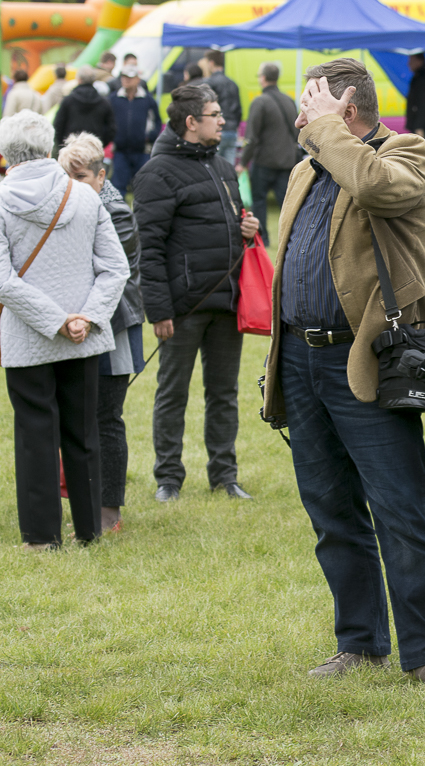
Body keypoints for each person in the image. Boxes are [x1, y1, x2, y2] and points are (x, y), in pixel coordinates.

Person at [258, 59, 425, 683]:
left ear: (346, 110)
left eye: (312, 104)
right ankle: (360, 642)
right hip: (300, 358)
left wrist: (328, 131)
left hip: (369, 360)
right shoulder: (306, 167)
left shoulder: (406, 153)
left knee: (400, 512)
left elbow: (375, 188)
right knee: (331, 512)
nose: (300, 115)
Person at [0, 111, 128, 550]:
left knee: (34, 435)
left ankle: (41, 538)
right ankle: (90, 529)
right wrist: (84, 317)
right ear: (49, 145)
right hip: (82, 335)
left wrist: (58, 321)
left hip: (28, 335)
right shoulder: (86, 196)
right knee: (83, 431)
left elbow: (3, 281)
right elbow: (116, 268)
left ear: (5, 153)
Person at [131, 84, 259, 503]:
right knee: (173, 393)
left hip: (227, 301)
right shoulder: (156, 173)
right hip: (183, 308)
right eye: (215, 114)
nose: (223, 121)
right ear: (191, 122)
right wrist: (159, 310)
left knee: (224, 394)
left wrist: (246, 227)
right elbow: (148, 249)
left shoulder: (223, 167)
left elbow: (229, 221)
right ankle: (168, 478)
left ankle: (225, 475)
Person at [58, 132, 145, 534]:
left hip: (115, 325)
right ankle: (81, 502)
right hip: (77, 324)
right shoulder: (68, 206)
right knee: (77, 416)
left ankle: (109, 510)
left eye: (79, 176)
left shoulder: (116, 211)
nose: (72, 184)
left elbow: (103, 272)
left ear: (101, 175)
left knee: (106, 417)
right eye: (66, 176)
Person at [237, 61, 299, 246]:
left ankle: (262, 240)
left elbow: (251, 137)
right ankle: (294, 239)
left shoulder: (260, 101)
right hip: (286, 161)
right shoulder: (289, 100)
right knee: (287, 205)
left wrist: (243, 162)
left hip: (264, 161)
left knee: (259, 201)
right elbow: (297, 132)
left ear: (263, 78)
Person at [108, 64, 162, 197]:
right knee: (118, 188)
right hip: (120, 150)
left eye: (130, 77)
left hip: (142, 150)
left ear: (138, 79)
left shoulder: (147, 99)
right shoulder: (113, 99)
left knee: (143, 187)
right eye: (124, 77)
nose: (126, 80)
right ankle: (119, 210)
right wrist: (113, 138)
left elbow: (157, 121)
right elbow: (107, 121)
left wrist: (149, 137)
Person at [52, 68, 115, 151]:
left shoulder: (68, 100)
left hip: (72, 148)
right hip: (94, 148)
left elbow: (58, 124)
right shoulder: (104, 102)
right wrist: (101, 143)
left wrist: (64, 144)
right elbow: (111, 128)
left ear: (79, 79)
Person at [201, 50, 242, 166]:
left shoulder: (209, 83)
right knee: (229, 169)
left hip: (216, 130)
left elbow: (206, 108)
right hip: (231, 131)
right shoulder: (233, 83)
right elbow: (239, 110)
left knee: (214, 168)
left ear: (211, 63)